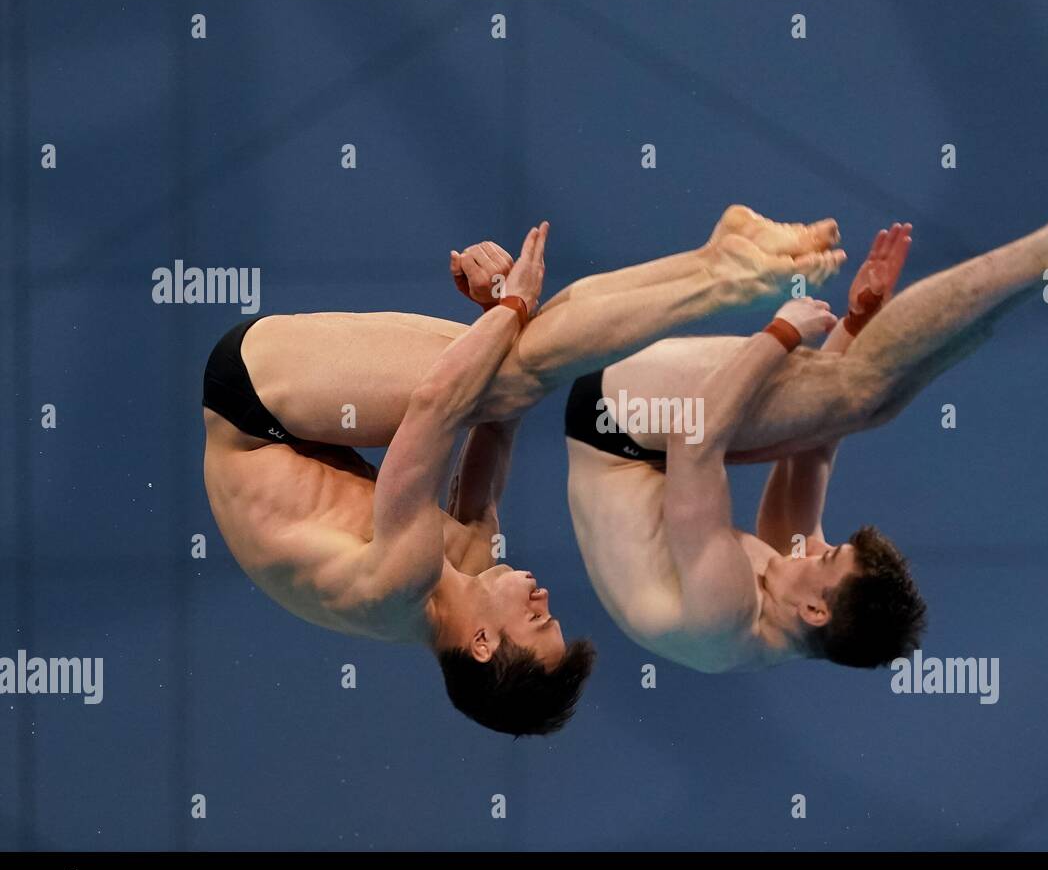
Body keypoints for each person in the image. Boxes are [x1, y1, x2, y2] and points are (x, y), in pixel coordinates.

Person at [201, 208, 846, 733]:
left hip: (252, 406)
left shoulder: (395, 585)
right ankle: (715, 259)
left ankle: (724, 274)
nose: (543, 597)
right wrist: (499, 314)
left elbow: (431, 412)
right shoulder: (471, 558)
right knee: (520, 371)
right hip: (295, 423)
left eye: (536, 618)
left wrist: (511, 309)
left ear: (483, 644)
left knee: (513, 369)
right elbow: (493, 422)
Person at [564, 207, 1048, 673]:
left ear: (816, 611)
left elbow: (696, 444)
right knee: (866, 404)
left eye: (825, 557)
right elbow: (814, 445)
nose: (812, 547)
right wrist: (857, 322)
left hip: (616, 424)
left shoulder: (724, 614)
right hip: (648, 442)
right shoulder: (789, 596)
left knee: (857, 393)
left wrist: (779, 334)